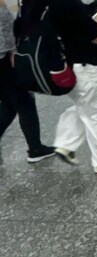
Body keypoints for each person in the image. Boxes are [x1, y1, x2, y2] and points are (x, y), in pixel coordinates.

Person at [15, 0, 97, 172]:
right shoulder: (68, 3)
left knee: (85, 105)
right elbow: (96, 37)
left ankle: (66, 143)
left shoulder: (31, 4)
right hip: (83, 64)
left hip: (60, 68)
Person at [0, 0, 54, 165]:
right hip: (4, 60)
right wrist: (14, 50)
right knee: (25, 103)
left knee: (10, 104)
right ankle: (35, 149)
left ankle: (35, 147)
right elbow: (5, 30)